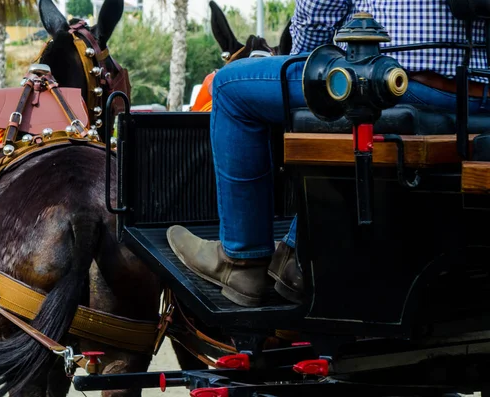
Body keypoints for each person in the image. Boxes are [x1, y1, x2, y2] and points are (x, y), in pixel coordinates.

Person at [166, 0, 490, 308]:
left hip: (395, 81)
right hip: (477, 96)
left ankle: (241, 261)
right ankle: (296, 253)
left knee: (229, 87)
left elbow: (318, 12)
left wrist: (305, 61)